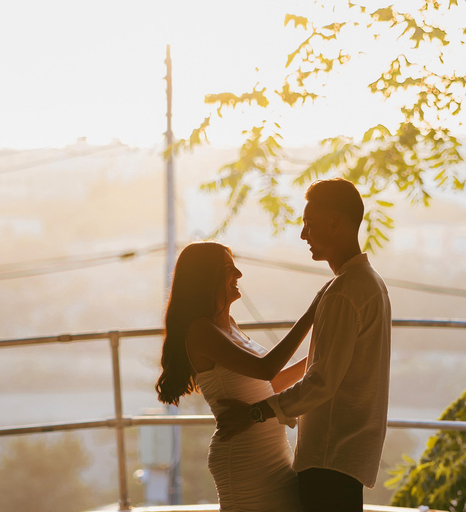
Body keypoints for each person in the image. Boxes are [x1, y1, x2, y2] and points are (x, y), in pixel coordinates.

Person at [217, 178, 392, 512]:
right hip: (347, 452)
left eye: (308, 225)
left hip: (330, 454)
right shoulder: (370, 283)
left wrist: (255, 413)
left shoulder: (343, 291)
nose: (303, 235)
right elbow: (326, 364)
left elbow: (322, 381)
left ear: (335, 224)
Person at [155, 241, 327, 512]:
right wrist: (311, 314)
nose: (238, 274)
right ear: (206, 277)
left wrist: (320, 357)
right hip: (244, 459)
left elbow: (269, 384)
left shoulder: (230, 325)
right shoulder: (201, 330)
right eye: (228, 268)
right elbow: (265, 368)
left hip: (272, 456)